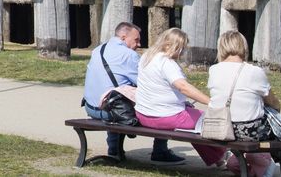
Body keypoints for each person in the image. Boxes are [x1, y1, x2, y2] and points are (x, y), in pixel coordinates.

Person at [207, 30, 281, 177]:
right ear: (244, 47)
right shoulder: (254, 71)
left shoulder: (213, 70)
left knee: (268, 121)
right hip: (247, 130)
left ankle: (265, 162)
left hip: (219, 127)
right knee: (274, 120)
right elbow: (273, 103)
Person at [82, 22, 173, 162]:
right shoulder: (128, 55)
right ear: (123, 37)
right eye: (136, 40)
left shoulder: (98, 50)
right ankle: (160, 151)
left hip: (91, 107)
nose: (139, 44)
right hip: (109, 110)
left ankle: (113, 148)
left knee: (114, 97)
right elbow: (146, 83)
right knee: (165, 107)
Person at [134, 28, 223, 167]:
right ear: (169, 45)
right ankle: (221, 156)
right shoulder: (167, 63)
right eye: (180, 48)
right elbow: (183, 87)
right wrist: (210, 102)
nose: (182, 53)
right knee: (206, 121)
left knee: (194, 121)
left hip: (143, 114)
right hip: (165, 117)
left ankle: (217, 158)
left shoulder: (146, 57)